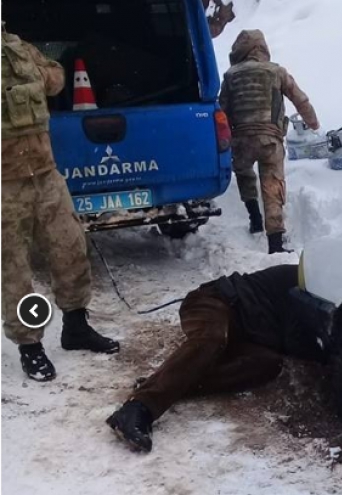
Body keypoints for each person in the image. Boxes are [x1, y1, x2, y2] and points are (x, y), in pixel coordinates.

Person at [1, 24, 119, 382]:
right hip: (5, 184)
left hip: (46, 174)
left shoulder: (19, 48)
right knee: (15, 270)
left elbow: (56, 79)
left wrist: (34, 73)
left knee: (70, 248)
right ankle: (30, 346)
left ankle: (76, 326)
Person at [106, 264, 322, 452]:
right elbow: (295, 340)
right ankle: (138, 407)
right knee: (213, 338)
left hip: (247, 336)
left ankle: (171, 385)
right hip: (213, 302)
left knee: (268, 364)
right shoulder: (306, 282)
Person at [219, 29, 320, 254]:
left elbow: (222, 110)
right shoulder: (276, 71)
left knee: (245, 175)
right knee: (272, 186)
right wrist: (313, 123)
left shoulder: (230, 75)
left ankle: (254, 217)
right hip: (270, 141)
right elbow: (300, 99)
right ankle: (275, 243)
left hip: (241, 141)